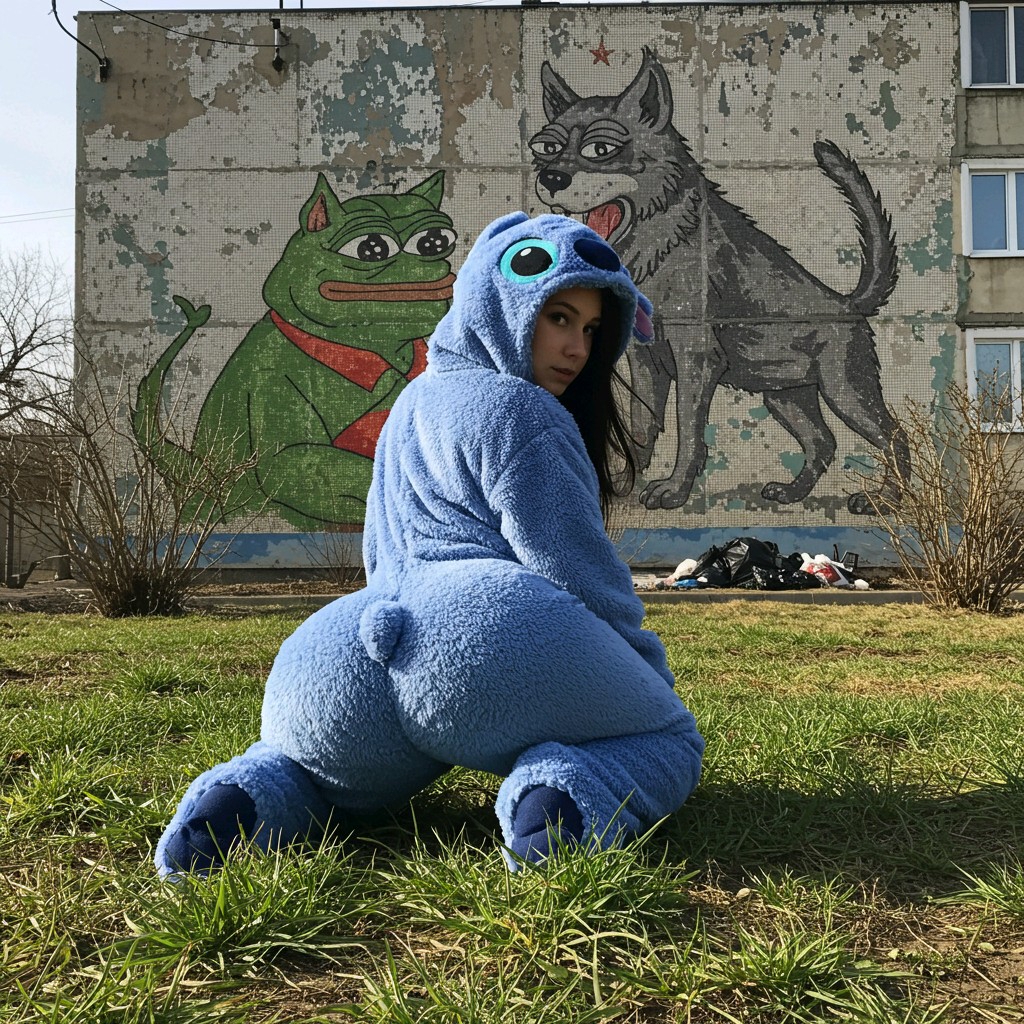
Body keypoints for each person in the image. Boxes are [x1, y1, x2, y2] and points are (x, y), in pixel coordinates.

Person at [155, 212, 705, 875]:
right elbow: (572, 566)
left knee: (314, 775)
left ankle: (249, 801)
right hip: (486, 638)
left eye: (591, 329)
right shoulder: (525, 411)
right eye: (558, 317)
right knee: (665, 737)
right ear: (496, 303)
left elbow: (381, 546)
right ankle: (560, 800)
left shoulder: (410, 404)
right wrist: (639, 666)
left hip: (347, 646)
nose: (577, 349)